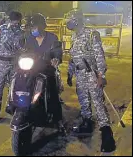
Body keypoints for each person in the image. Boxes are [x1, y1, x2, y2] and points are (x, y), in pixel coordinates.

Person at [66, 9, 115, 152]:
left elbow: (99, 56)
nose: (69, 23)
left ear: (77, 20)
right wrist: (70, 74)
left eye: (71, 20)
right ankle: (87, 123)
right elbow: (72, 57)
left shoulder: (92, 34)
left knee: (98, 102)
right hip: (80, 74)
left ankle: (107, 133)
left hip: (91, 74)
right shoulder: (73, 36)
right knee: (84, 102)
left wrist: (101, 76)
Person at [24, 13, 64, 128]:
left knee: (53, 91)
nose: (34, 29)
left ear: (42, 26)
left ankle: (58, 119)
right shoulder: (29, 38)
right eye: (32, 27)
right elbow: (24, 51)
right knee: (21, 82)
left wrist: (56, 58)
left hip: (47, 69)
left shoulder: (52, 38)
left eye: (36, 26)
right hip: (32, 68)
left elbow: (57, 51)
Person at [0, 11, 24, 125]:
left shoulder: (21, 32)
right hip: (2, 62)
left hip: (14, 63)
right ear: (10, 19)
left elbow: (22, 47)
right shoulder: (1, 29)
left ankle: (10, 106)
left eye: (17, 22)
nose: (16, 24)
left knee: (12, 87)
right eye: (14, 21)